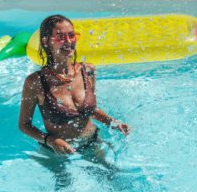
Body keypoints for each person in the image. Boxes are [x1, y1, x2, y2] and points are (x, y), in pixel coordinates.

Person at [18, 14, 130, 156]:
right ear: (46, 41)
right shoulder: (36, 82)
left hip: (92, 142)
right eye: (60, 37)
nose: (68, 41)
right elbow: (24, 125)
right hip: (56, 151)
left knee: (112, 176)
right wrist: (51, 141)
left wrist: (113, 123)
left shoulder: (87, 71)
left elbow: (90, 109)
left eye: (71, 35)